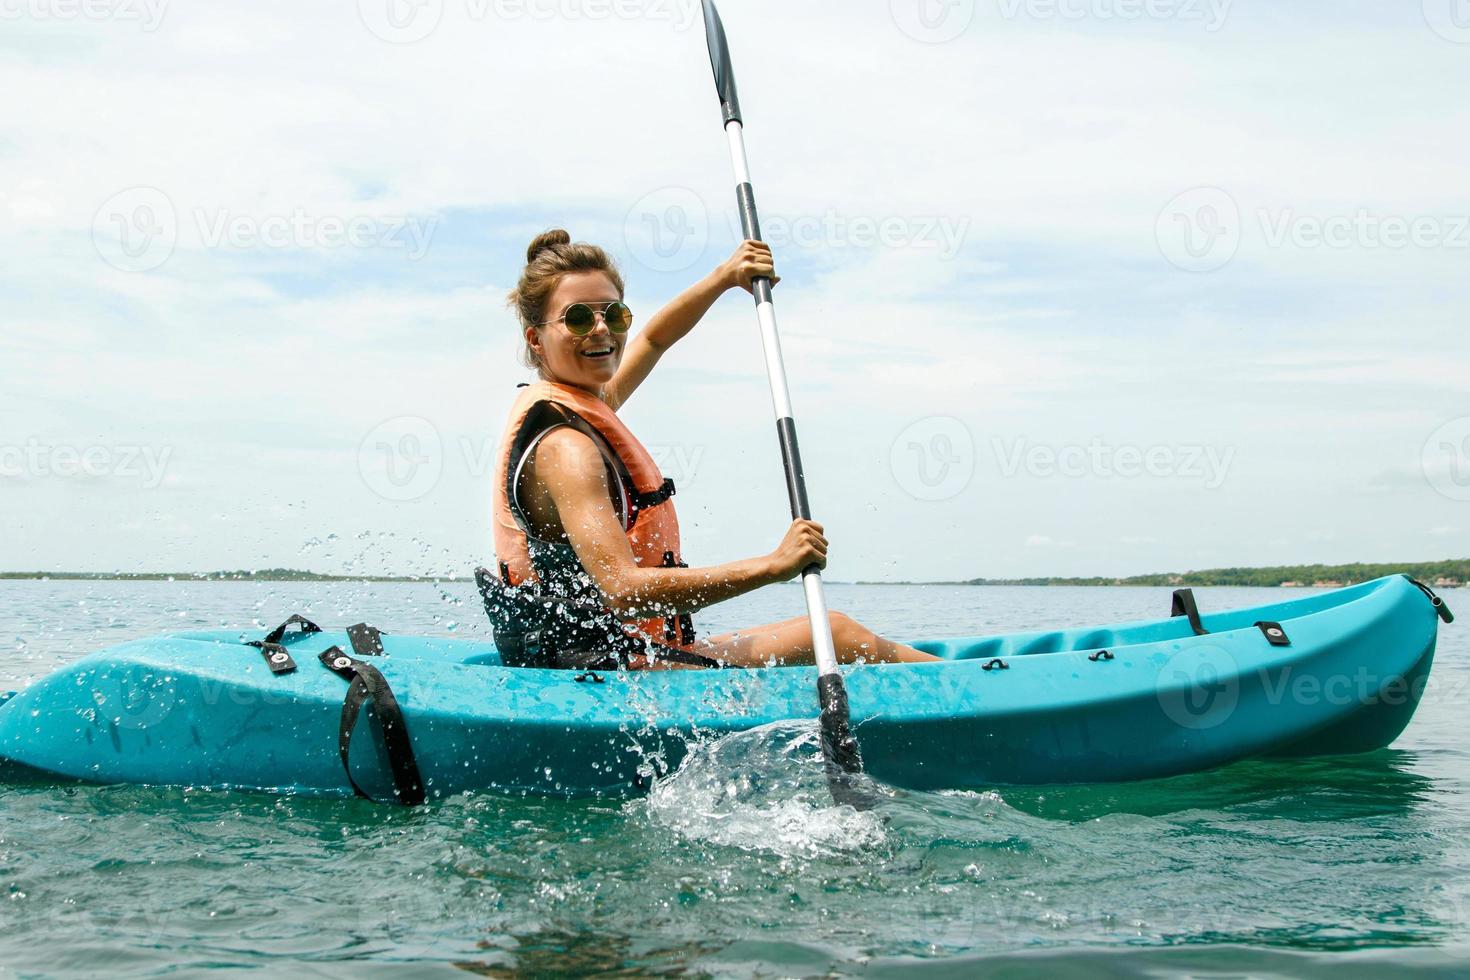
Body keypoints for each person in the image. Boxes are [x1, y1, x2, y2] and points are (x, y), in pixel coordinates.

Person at [489, 229, 940, 670]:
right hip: (599, 673)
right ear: (535, 338)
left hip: (621, 653)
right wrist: (771, 567)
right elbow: (622, 592)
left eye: (615, 313)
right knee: (839, 636)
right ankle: (981, 697)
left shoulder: (584, 403)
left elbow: (655, 339)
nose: (602, 329)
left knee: (835, 627)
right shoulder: (567, 450)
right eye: (578, 318)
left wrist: (726, 276)